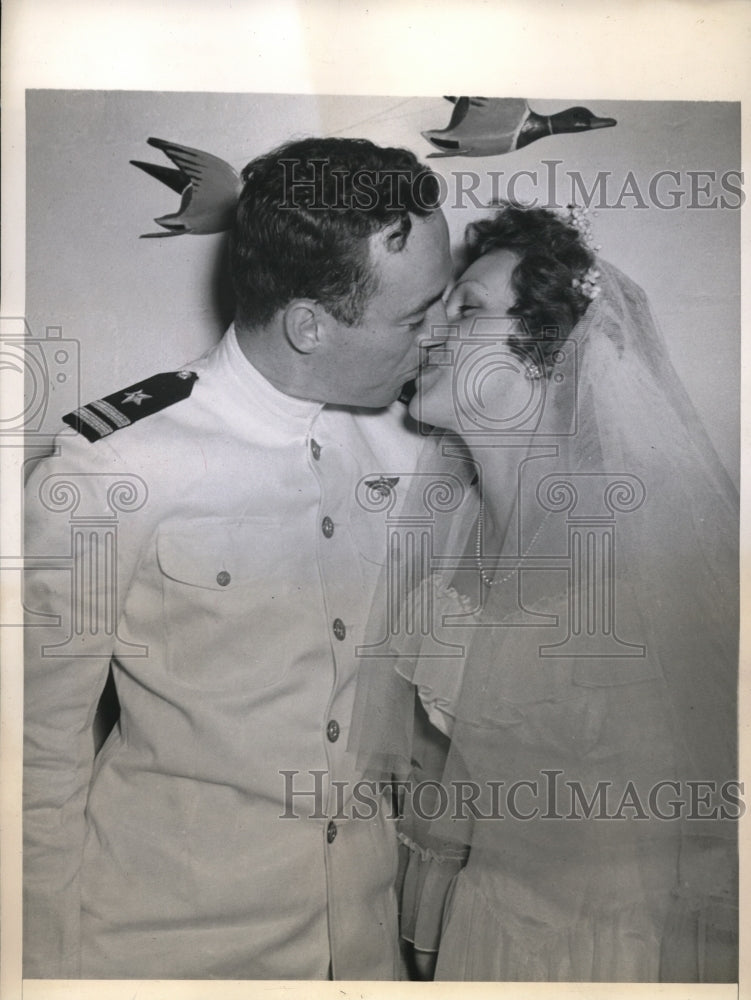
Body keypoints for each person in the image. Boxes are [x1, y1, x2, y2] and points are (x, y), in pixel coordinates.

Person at [22, 136, 457, 980]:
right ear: (307, 324)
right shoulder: (112, 466)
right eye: (415, 316)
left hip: (361, 951)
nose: (436, 339)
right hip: (167, 953)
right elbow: (34, 754)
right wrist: (40, 972)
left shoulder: (413, 449)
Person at [350, 203, 739, 981]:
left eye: (465, 311)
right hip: (483, 938)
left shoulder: (636, 561)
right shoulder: (450, 544)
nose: (428, 333)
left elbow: (703, 844)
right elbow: (448, 809)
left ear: (547, 353)